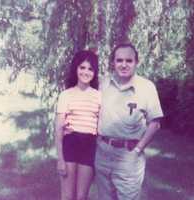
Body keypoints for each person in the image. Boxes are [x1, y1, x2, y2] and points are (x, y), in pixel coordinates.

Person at [95, 43, 163, 200]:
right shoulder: (103, 84)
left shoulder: (146, 87)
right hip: (102, 153)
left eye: (128, 60)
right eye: (119, 60)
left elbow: (155, 123)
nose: (123, 65)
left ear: (136, 62)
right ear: (113, 62)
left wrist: (138, 150)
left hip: (129, 157)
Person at [55, 50, 101, 200]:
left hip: (89, 146)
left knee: (82, 196)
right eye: (82, 67)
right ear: (76, 69)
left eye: (90, 69)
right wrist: (60, 159)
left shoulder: (99, 96)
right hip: (71, 144)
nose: (86, 72)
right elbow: (58, 129)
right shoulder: (66, 95)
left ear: (94, 72)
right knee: (67, 196)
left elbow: (102, 126)